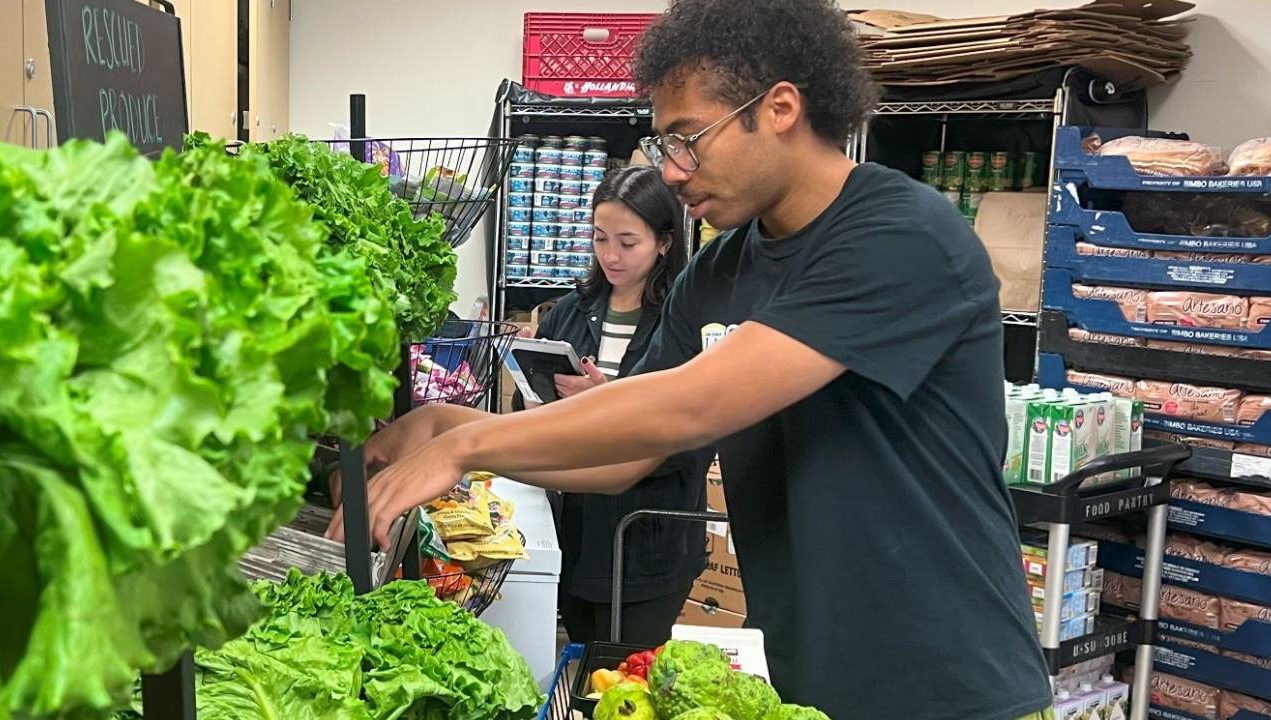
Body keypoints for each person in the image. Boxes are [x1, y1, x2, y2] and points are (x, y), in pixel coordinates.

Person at [331, 1, 1054, 719]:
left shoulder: (901, 236)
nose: (673, 173)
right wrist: (439, 422)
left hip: (953, 682)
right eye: (664, 146)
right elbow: (624, 452)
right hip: (804, 674)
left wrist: (465, 447)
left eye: (688, 138)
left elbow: (691, 404)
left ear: (778, 108)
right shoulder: (720, 271)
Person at [515, 165, 709, 647]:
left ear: (665, 242)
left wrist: (606, 403)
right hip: (576, 531)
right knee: (583, 666)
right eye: (600, 239)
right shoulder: (568, 310)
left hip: (647, 536)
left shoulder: (685, 321)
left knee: (628, 677)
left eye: (627, 242)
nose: (610, 255)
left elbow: (696, 436)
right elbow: (530, 408)